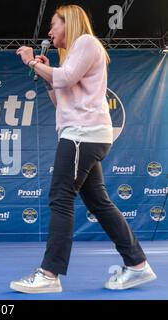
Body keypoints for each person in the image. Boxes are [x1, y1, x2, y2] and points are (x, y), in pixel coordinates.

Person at [12, 4, 157, 294]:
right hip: (83, 134)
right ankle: (138, 265)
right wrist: (44, 73)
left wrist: (32, 62)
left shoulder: (87, 43)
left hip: (82, 135)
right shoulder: (70, 57)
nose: (50, 31)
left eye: (54, 24)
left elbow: (63, 78)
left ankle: (49, 274)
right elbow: (60, 97)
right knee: (99, 202)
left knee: (61, 197)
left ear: (71, 23)